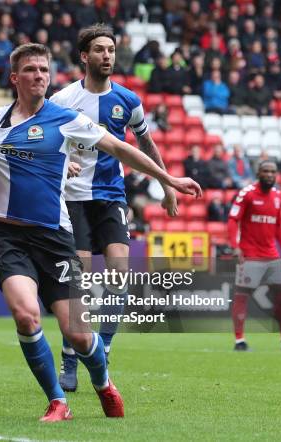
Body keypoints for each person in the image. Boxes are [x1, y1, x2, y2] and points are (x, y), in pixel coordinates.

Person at [0, 43, 201, 421]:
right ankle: (57, 400)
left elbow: (119, 148)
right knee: (26, 316)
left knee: (78, 334)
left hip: (54, 238)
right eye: (30, 70)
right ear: (15, 78)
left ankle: (104, 384)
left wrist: (168, 178)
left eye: (44, 70)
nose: (39, 76)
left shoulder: (64, 118)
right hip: (8, 238)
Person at [49, 24, 177, 393]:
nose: (107, 55)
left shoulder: (128, 101)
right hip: (72, 198)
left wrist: (166, 184)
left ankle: (102, 349)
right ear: (84, 56)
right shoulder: (62, 100)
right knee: (82, 284)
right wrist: (62, 163)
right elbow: (46, 143)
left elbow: (145, 145)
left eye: (111, 49)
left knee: (120, 277)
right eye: (100, 50)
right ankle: (70, 357)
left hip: (110, 195)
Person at [228, 160, 281, 352]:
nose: (270, 174)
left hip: (272, 255)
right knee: (242, 296)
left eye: (273, 171)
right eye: (266, 171)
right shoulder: (246, 194)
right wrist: (235, 246)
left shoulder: (278, 196)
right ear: (258, 173)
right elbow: (233, 220)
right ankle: (240, 341)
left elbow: (278, 225)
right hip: (250, 255)